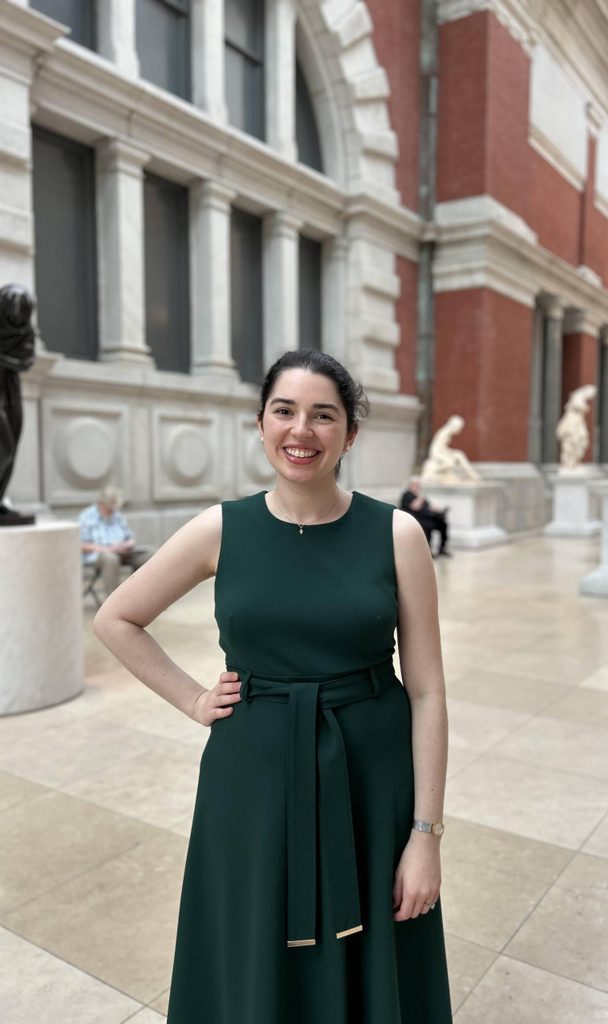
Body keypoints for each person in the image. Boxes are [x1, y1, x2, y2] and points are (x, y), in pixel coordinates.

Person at [93, 350, 452, 1024]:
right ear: (260, 425)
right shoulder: (220, 529)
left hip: (371, 780)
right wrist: (193, 698)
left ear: (349, 434)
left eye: (324, 415)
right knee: (253, 952)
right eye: (285, 412)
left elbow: (428, 692)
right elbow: (117, 617)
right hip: (250, 784)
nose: (301, 431)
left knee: (376, 948)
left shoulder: (397, 534)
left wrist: (425, 833)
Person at [79, 486, 152, 595]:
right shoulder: (86, 517)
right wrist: (107, 549)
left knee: (149, 554)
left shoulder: (117, 515)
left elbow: (130, 538)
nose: (112, 511)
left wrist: (127, 544)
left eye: (114, 508)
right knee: (110, 559)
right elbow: (82, 545)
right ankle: (114, 601)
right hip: (100, 555)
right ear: (101, 503)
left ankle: (141, 596)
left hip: (122, 552)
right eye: (109, 508)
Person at [400, 476, 451, 557]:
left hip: (428, 517)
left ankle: (442, 549)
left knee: (443, 524)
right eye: (416, 485)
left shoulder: (420, 496)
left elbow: (429, 506)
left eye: (419, 485)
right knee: (428, 526)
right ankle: (427, 552)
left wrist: (438, 509)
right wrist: (420, 498)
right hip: (417, 519)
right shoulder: (407, 495)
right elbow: (414, 507)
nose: (418, 487)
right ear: (411, 485)